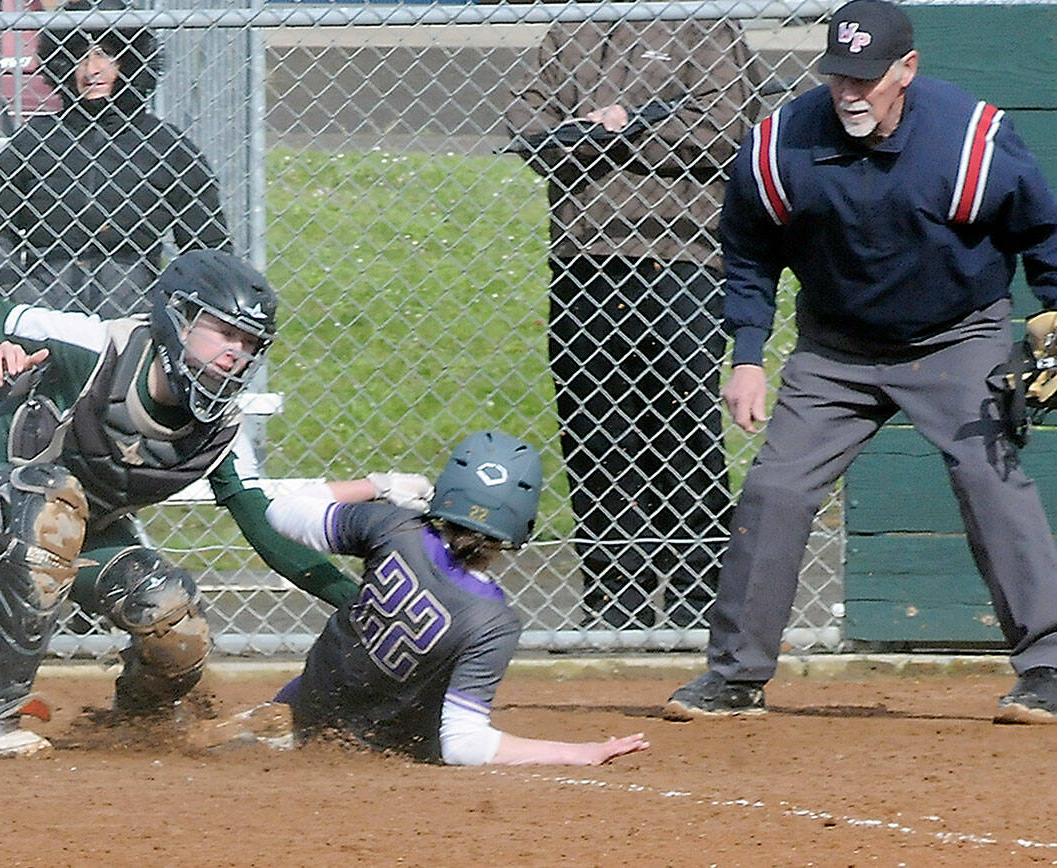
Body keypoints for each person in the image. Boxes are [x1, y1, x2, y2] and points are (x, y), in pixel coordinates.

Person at [665, 0, 1057, 723]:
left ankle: (1048, 668)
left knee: (989, 479)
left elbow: (1042, 229)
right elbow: (748, 253)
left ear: (907, 69)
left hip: (955, 337)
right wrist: (746, 355)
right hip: (836, 350)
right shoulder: (779, 144)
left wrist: (1054, 315)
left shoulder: (970, 139)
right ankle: (735, 676)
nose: (849, 92)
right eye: (838, 76)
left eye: (866, 78)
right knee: (776, 490)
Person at [0, 249, 428, 757]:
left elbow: (268, 529)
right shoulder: (103, 347)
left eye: (250, 343)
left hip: (80, 529)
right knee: (51, 501)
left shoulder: (222, 431)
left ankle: (135, 727)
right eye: (225, 333)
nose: (237, 353)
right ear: (178, 319)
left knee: (173, 620)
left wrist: (363, 607)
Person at [505, 18, 762, 628]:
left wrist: (622, 127)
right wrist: (607, 132)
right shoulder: (570, 34)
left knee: (683, 426)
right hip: (583, 259)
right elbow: (527, 128)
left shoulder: (707, 31)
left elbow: (723, 132)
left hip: (683, 257)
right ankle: (613, 600)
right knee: (595, 430)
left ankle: (702, 598)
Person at [240, 430, 651, 765]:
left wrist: (379, 485)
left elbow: (281, 512)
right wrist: (577, 752)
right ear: (521, 519)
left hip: (301, 711)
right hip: (375, 759)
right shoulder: (494, 621)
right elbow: (463, 744)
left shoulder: (393, 527)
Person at [0, 0, 231, 317]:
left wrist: (171, 311)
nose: (91, 69)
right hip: (45, 307)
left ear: (129, 61)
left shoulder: (166, 148)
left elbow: (208, 248)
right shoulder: (35, 141)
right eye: (79, 57)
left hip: (136, 312)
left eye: (105, 54)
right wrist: (20, 295)